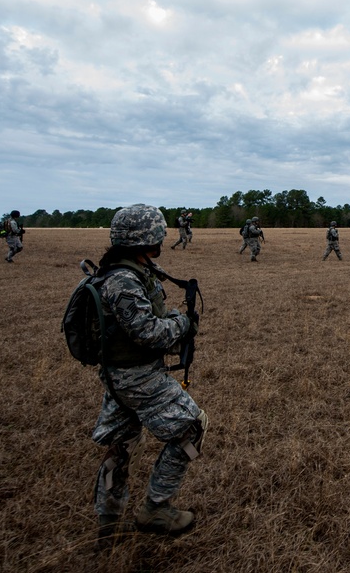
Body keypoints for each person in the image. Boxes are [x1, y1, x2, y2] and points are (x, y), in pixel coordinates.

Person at [90, 204, 207, 544]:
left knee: (121, 446)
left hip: (120, 377)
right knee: (192, 428)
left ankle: (109, 522)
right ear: (148, 239)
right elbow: (149, 334)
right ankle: (157, 507)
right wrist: (183, 324)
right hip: (137, 378)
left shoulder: (125, 271)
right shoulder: (122, 280)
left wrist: (170, 321)